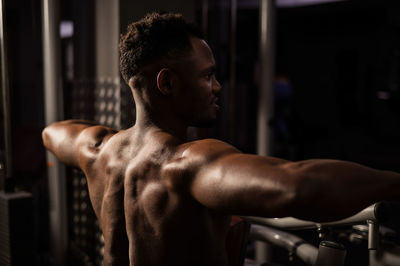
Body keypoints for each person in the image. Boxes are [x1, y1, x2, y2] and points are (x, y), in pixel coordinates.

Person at [42, 12, 400, 266]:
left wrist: (125, 136)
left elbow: (51, 132)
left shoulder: (98, 150)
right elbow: (295, 185)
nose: (217, 87)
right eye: (207, 75)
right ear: (166, 83)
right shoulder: (186, 165)